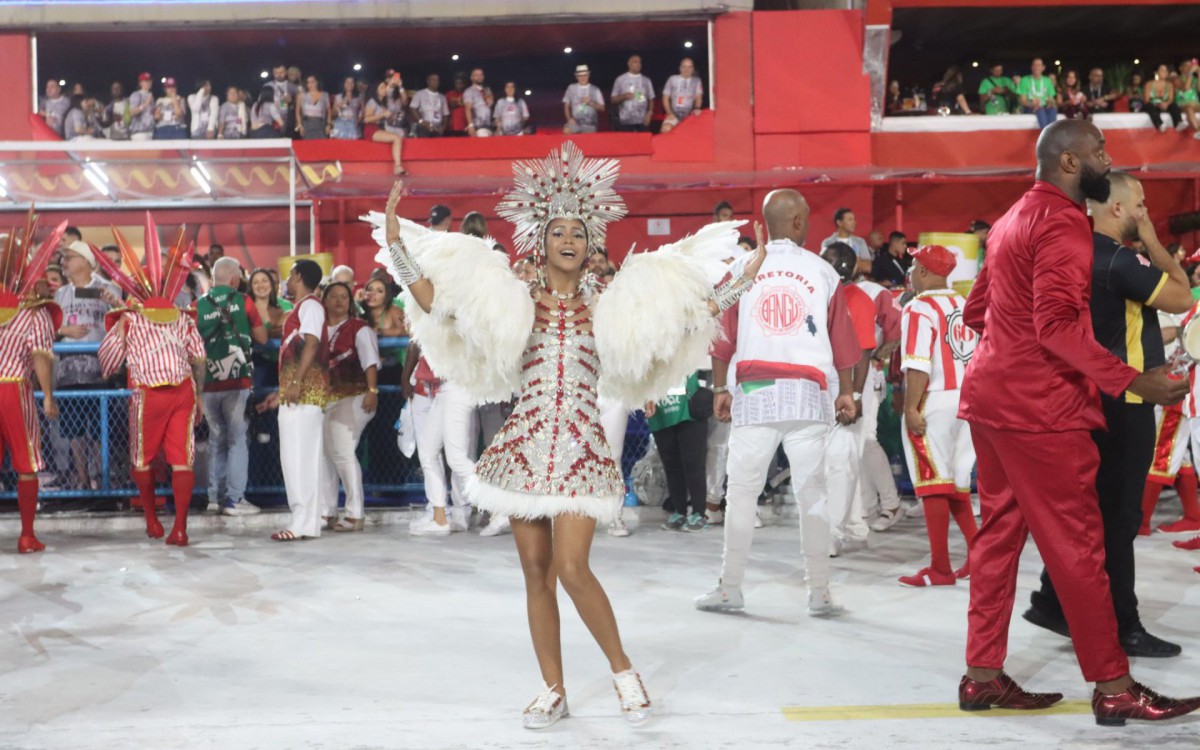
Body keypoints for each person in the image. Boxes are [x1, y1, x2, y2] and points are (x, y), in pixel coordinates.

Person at [370, 142, 762, 728]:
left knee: (573, 568)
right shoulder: (512, 302)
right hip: (522, 448)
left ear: (591, 241)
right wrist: (397, 243)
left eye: (579, 231)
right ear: (541, 240)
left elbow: (690, 314)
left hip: (580, 450)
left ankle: (623, 670)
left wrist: (740, 282)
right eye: (558, 232)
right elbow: (434, 301)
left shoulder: (612, 305)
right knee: (535, 573)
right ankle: (553, 689)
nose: (570, 241)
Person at [956, 119, 1200, 723]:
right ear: (1070, 163)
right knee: (1079, 546)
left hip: (990, 402)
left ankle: (981, 676)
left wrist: (1013, 360)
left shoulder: (1011, 218)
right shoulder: (1064, 222)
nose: (1107, 157)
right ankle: (1115, 687)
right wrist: (1134, 380)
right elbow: (1058, 328)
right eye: (1099, 151)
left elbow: (976, 311)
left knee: (998, 540)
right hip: (1043, 411)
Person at [1021, 170, 1191, 656]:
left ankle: (1052, 600)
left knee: (1092, 514)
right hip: (1128, 399)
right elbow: (1184, 293)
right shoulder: (1121, 259)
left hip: (1087, 398)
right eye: (1139, 203)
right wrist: (1155, 237)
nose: (1144, 210)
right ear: (1116, 209)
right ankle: (1124, 625)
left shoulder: (1074, 254)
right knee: (1118, 520)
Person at [695, 188, 859, 617]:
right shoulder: (823, 272)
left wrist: (719, 389)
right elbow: (842, 338)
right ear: (800, 223)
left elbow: (720, 335)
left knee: (743, 494)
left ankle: (730, 588)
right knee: (813, 495)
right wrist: (846, 391)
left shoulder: (742, 268)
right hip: (807, 396)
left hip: (754, 393)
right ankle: (819, 592)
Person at [96, 222, 206, 547]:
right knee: (181, 459)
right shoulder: (183, 317)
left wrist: (117, 328)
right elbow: (199, 358)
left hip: (148, 394)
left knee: (142, 459)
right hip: (184, 390)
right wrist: (198, 396)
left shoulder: (130, 319)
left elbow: (108, 364)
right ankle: (180, 529)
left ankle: (152, 520)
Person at [894, 244, 978, 586]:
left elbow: (917, 362)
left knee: (932, 484)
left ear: (925, 272)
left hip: (935, 399)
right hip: (968, 400)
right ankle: (980, 557)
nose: (910, 273)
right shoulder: (964, 303)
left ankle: (940, 569)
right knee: (955, 484)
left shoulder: (918, 307)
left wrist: (912, 407)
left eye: (913, 267)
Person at [0, 219, 66, 553]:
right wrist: (49, 397)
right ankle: (26, 535)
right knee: (27, 463)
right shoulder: (32, 311)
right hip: (13, 388)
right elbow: (41, 356)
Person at [812, 242, 877, 558]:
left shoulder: (859, 300)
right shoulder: (820, 294)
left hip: (846, 386)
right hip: (821, 384)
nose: (827, 265)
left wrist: (855, 394)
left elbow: (863, 352)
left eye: (832, 261)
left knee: (841, 462)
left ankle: (834, 533)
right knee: (836, 463)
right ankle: (853, 527)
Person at [196, 257, 267, 516]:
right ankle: (235, 499)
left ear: (213, 279)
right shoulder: (243, 301)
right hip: (237, 382)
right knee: (238, 440)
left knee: (216, 439)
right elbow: (262, 337)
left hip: (207, 383)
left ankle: (214, 497)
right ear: (236, 280)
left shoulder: (198, 305)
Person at [267, 259, 330, 541]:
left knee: (299, 460)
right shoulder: (301, 308)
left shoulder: (311, 306)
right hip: (298, 393)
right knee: (298, 459)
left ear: (300, 277)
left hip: (305, 394)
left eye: (290, 275)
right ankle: (305, 523)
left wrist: (296, 382)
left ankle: (302, 523)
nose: (287, 280)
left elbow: (313, 343)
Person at [55, 241, 121, 491]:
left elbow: (124, 319)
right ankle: (83, 480)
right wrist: (64, 330)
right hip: (69, 372)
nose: (64, 262)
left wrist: (114, 302)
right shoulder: (60, 294)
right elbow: (50, 329)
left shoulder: (107, 288)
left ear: (85, 261)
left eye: (69, 257)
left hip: (100, 371)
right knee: (74, 431)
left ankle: (101, 479)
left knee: (99, 429)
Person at [319, 282, 379, 532]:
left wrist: (372, 391)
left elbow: (371, 362)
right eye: (333, 296)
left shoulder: (359, 328)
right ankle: (327, 511)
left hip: (356, 395)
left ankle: (355, 514)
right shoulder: (320, 329)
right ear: (324, 301)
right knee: (325, 455)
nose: (339, 301)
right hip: (328, 398)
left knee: (342, 451)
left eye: (344, 296)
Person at [646, 371, 708, 531]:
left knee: (694, 461)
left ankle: (699, 513)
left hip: (689, 402)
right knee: (670, 462)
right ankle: (679, 511)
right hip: (659, 404)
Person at [364, 78, 408, 175]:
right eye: (382, 87)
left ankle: (398, 167)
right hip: (371, 129)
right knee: (396, 138)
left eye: (385, 87)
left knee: (398, 136)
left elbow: (404, 100)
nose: (385, 89)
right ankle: (397, 167)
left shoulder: (381, 102)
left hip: (379, 127)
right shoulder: (372, 101)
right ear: (376, 90)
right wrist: (383, 115)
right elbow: (366, 119)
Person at [821, 208, 872, 275]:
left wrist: (840, 262)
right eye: (850, 220)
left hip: (856, 282)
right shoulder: (828, 243)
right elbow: (826, 266)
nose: (854, 222)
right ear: (839, 223)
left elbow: (868, 267)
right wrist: (856, 261)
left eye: (854, 219)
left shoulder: (860, 242)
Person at [611, 55, 655, 132]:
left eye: (639, 62)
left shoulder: (646, 80)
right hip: (626, 120)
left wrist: (649, 114)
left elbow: (651, 98)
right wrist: (624, 96)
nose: (638, 64)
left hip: (642, 120)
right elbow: (613, 99)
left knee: (642, 142)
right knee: (627, 143)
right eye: (635, 62)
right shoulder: (620, 79)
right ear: (629, 64)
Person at [660, 57, 704, 133]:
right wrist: (669, 113)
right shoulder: (672, 79)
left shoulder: (697, 80)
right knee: (666, 129)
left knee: (698, 132)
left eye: (690, 67)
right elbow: (665, 97)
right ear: (680, 68)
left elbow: (698, 97)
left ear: (693, 68)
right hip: (674, 114)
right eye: (684, 67)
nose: (687, 69)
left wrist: (697, 108)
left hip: (690, 115)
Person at [562, 65, 605, 134]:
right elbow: (566, 105)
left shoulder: (595, 89)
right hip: (575, 122)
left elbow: (602, 108)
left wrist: (590, 103)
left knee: (587, 139)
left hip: (590, 124)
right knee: (567, 131)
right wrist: (569, 119)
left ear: (588, 75)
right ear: (576, 77)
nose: (583, 78)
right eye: (580, 76)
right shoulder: (571, 88)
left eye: (585, 75)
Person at [1018, 58, 1057, 130]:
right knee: (1040, 110)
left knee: (1053, 109)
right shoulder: (1024, 80)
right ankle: (1045, 135)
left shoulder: (1047, 81)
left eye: (1039, 65)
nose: (1036, 67)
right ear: (1031, 67)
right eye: (1034, 65)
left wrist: (1050, 103)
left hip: (1044, 106)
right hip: (1029, 107)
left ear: (1043, 68)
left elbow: (1051, 99)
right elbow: (1022, 101)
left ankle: (1051, 133)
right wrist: (1032, 105)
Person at [1144, 64, 1183, 133]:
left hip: (1165, 105)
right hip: (1154, 105)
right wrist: (1158, 104)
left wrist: (1166, 104)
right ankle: (1160, 124)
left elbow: (1171, 99)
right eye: (1162, 70)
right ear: (1156, 72)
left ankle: (1178, 123)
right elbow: (1146, 100)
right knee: (1149, 106)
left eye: (1166, 71)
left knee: (1174, 105)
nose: (1165, 72)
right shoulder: (1149, 84)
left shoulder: (1170, 84)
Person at [410, 74, 449, 138]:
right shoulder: (420, 94)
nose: (435, 82)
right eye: (433, 79)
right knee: (424, 146)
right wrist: (421, 121)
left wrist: (443, 127)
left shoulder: (442, 97)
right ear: (428, 81)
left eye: (437, 80)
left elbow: (445, 114)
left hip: (437, 128)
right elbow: (412, 109)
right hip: (423, 127)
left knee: (437, 147)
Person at [463, 68, 494, 137]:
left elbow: (490, 105)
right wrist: (470, 125)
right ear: (472, 77)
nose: (479, 77)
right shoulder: (469, 91)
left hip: (488, 126)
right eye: (476, 75)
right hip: (478, 127)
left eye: (481, 75)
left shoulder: (487, 90)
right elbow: (468, 108)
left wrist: (490, 98)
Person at [297, 75, 330, 140]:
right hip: (307, 123)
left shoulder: (325, 95)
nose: (310, 84)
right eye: (308, 82)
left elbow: (328, 111)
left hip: (320, 123)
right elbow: (297, 111)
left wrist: (329, 124)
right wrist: (299, 125)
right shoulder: (301, 95)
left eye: (312, 82)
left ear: (317, 82)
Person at [331, 76, 362, 140]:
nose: (349, 85)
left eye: (351, 82)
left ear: (354, 84)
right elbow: (333, 114)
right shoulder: (338, 97)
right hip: (340, 124)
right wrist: (339, 106)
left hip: (353, 125)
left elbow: (363, 112)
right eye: (347, 82)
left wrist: (358, 121)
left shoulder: (359, 97)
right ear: (344, 84)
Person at [128, 73, 157, 141]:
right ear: (140, 83)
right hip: (139, 132)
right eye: (145, 81)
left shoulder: (151, 96)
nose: (148, 83)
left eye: (149, 81)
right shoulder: (136, 94)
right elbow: (132, 112)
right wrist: (145, 104)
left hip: (151, 131)